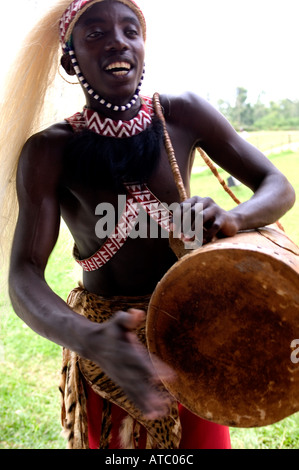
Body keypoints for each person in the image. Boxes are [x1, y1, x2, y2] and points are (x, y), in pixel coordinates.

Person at [0, 0, 295, 450]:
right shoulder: (49, 152)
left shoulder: (183, 114)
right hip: (110, 345)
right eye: (95, 33)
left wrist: (234, 218)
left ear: (142, 46)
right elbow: (23, 274)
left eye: (129, 30)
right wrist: (90, 338)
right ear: (70, 60)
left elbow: (277, 184)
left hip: (195, 334)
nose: (118, 40)